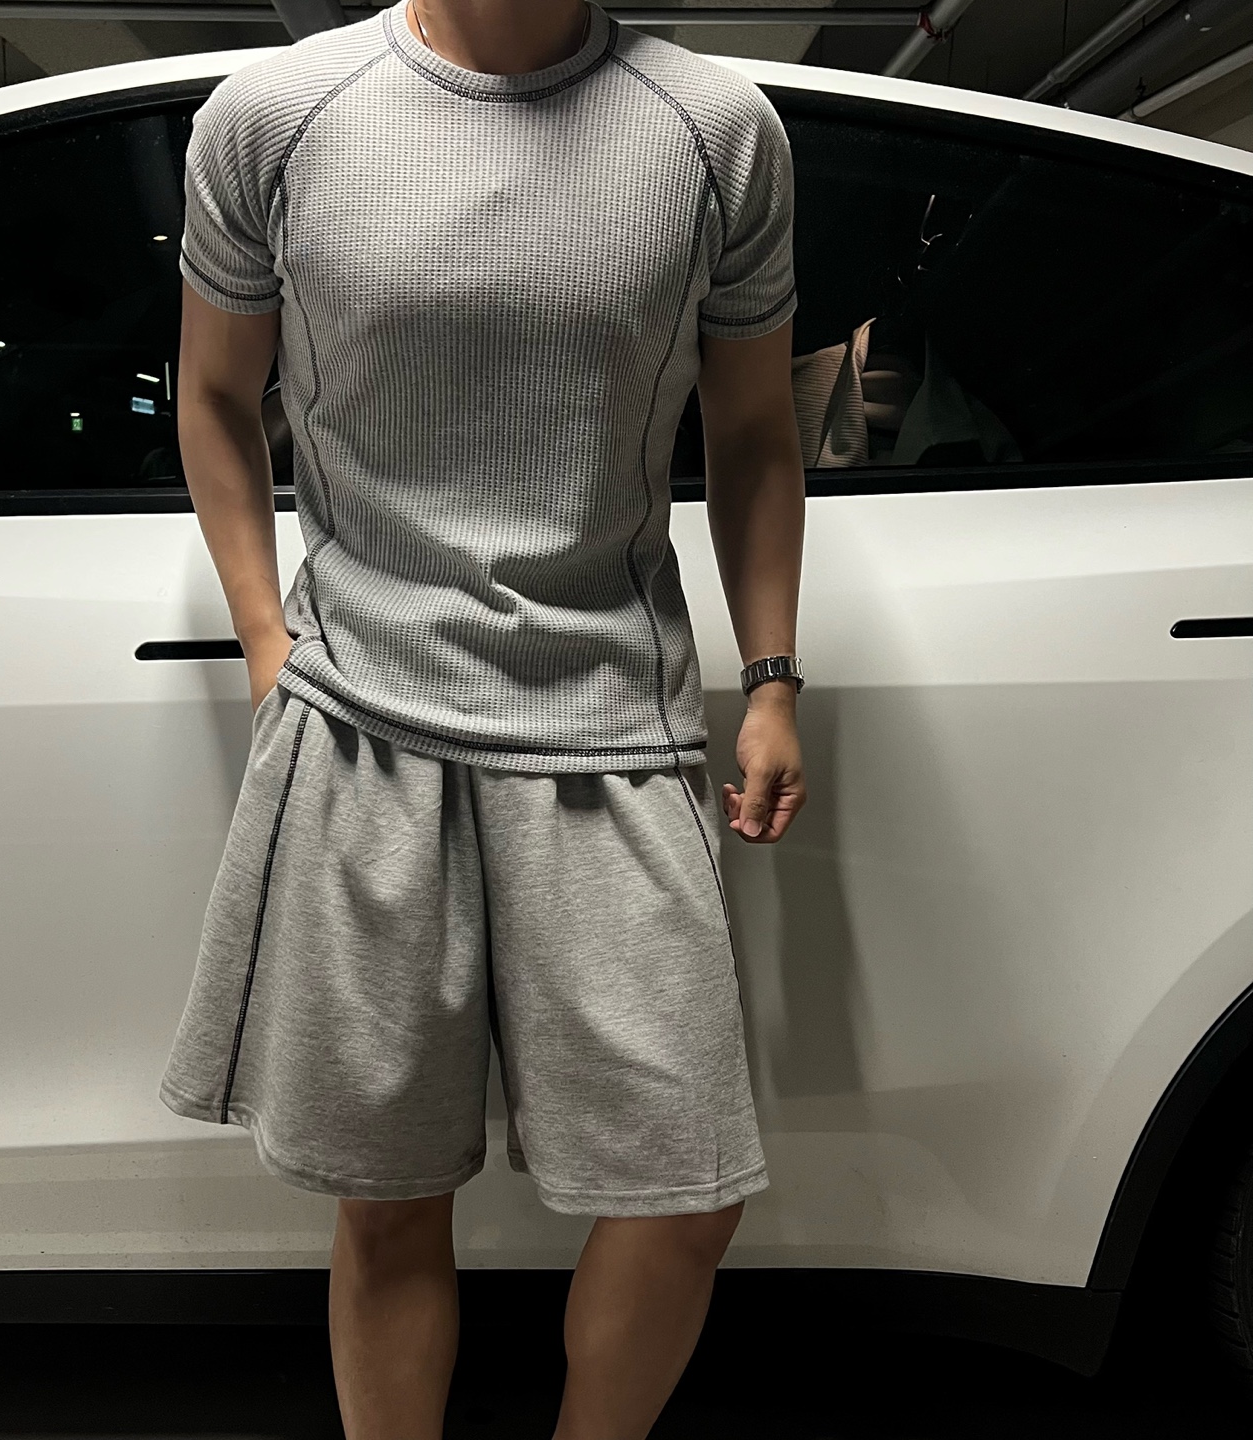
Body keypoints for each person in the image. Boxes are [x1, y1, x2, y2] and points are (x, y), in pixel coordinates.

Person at [158, 1, 806, 1434]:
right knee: (386, 1195)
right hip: (366, 719)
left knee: (686, 1192)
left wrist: (770, 674)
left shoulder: (715, 132)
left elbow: (758, 432)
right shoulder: (276, 119)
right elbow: (211, 391)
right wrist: (267, 642)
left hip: (614, 718)